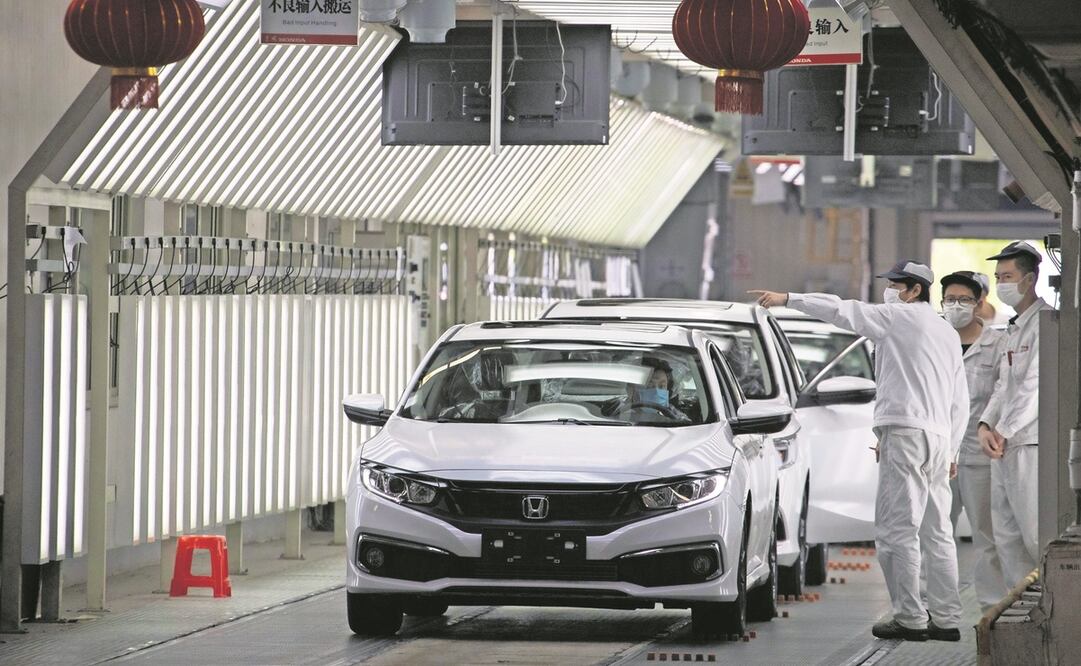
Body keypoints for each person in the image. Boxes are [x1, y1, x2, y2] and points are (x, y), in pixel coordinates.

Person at [751, 260, 968, 642]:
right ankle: (947, 619)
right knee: (938, 530)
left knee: (896, 531)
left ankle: (911, 619)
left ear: (914, 290)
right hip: (936, 437)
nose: (889, 291)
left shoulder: (898, 317)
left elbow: (842, 309)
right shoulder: (946, 332)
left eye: (895, 285)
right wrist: (950, 451)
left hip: (906, 432)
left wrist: (789, 298)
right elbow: (958, 400)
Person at [977, 241, 1055, 587]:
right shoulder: (1013, 328)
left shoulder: (1045, 324)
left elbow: (1036, 386)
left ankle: (1053, 611)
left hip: (1029, 444)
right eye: (998, 277)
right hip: (1003, 445)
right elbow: (1003, 386)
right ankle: (1020, 614)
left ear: (1029, 279)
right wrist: (985, 424)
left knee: (1035, 535)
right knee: (1006, 537)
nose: (1001, 284)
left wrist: (1004, 430)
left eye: (1007, 276)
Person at [940, 270, 1009, 612]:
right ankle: (937, 608)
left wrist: (990, 426)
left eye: (964, 299)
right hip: (938, 453)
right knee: (936, 533)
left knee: (986, 535)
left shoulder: (998, 344)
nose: (956, 306)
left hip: (979, 452)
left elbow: (1003, 390)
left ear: (980, 302)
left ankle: (991, 607)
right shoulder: (934, 340)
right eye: (950, 299)